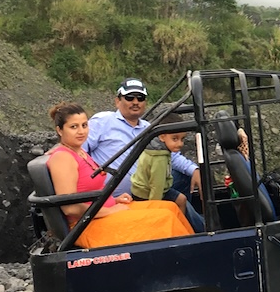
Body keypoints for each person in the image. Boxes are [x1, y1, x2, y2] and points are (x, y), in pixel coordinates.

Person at [46, 101, 193, 249]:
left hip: (103, 212)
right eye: (73, 127)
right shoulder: (63, 158)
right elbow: (69, 208)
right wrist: (109, 210)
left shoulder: (80, 152)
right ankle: (187, 258)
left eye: (84, 125)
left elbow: (88, 191)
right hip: (87, 226)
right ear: (60, 130)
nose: (81, 131)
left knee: (170, 208)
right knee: (165, 219)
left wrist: (114, 201)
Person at [83, 78, 202, 199]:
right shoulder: (103, 121)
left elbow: (171, 154)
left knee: (183, 178)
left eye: (140, 98)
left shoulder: (150, 129)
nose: (135, 102)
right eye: (129, 97)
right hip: (110, 196)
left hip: (145, 190)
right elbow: (79, 153)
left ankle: (205, 217)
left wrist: (194, 170)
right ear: (117, 101)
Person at [130, 113, 205, 232]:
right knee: (178, 202)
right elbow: (156, 185)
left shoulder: (157, 148)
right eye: (175, 139)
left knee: (182, 199)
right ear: (162, 137)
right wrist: (155, 209)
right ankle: (178, 230)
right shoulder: (159, 158)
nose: (180, 144)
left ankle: (182, 227)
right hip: (146, 193)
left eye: (182, 139)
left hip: (152, 188)